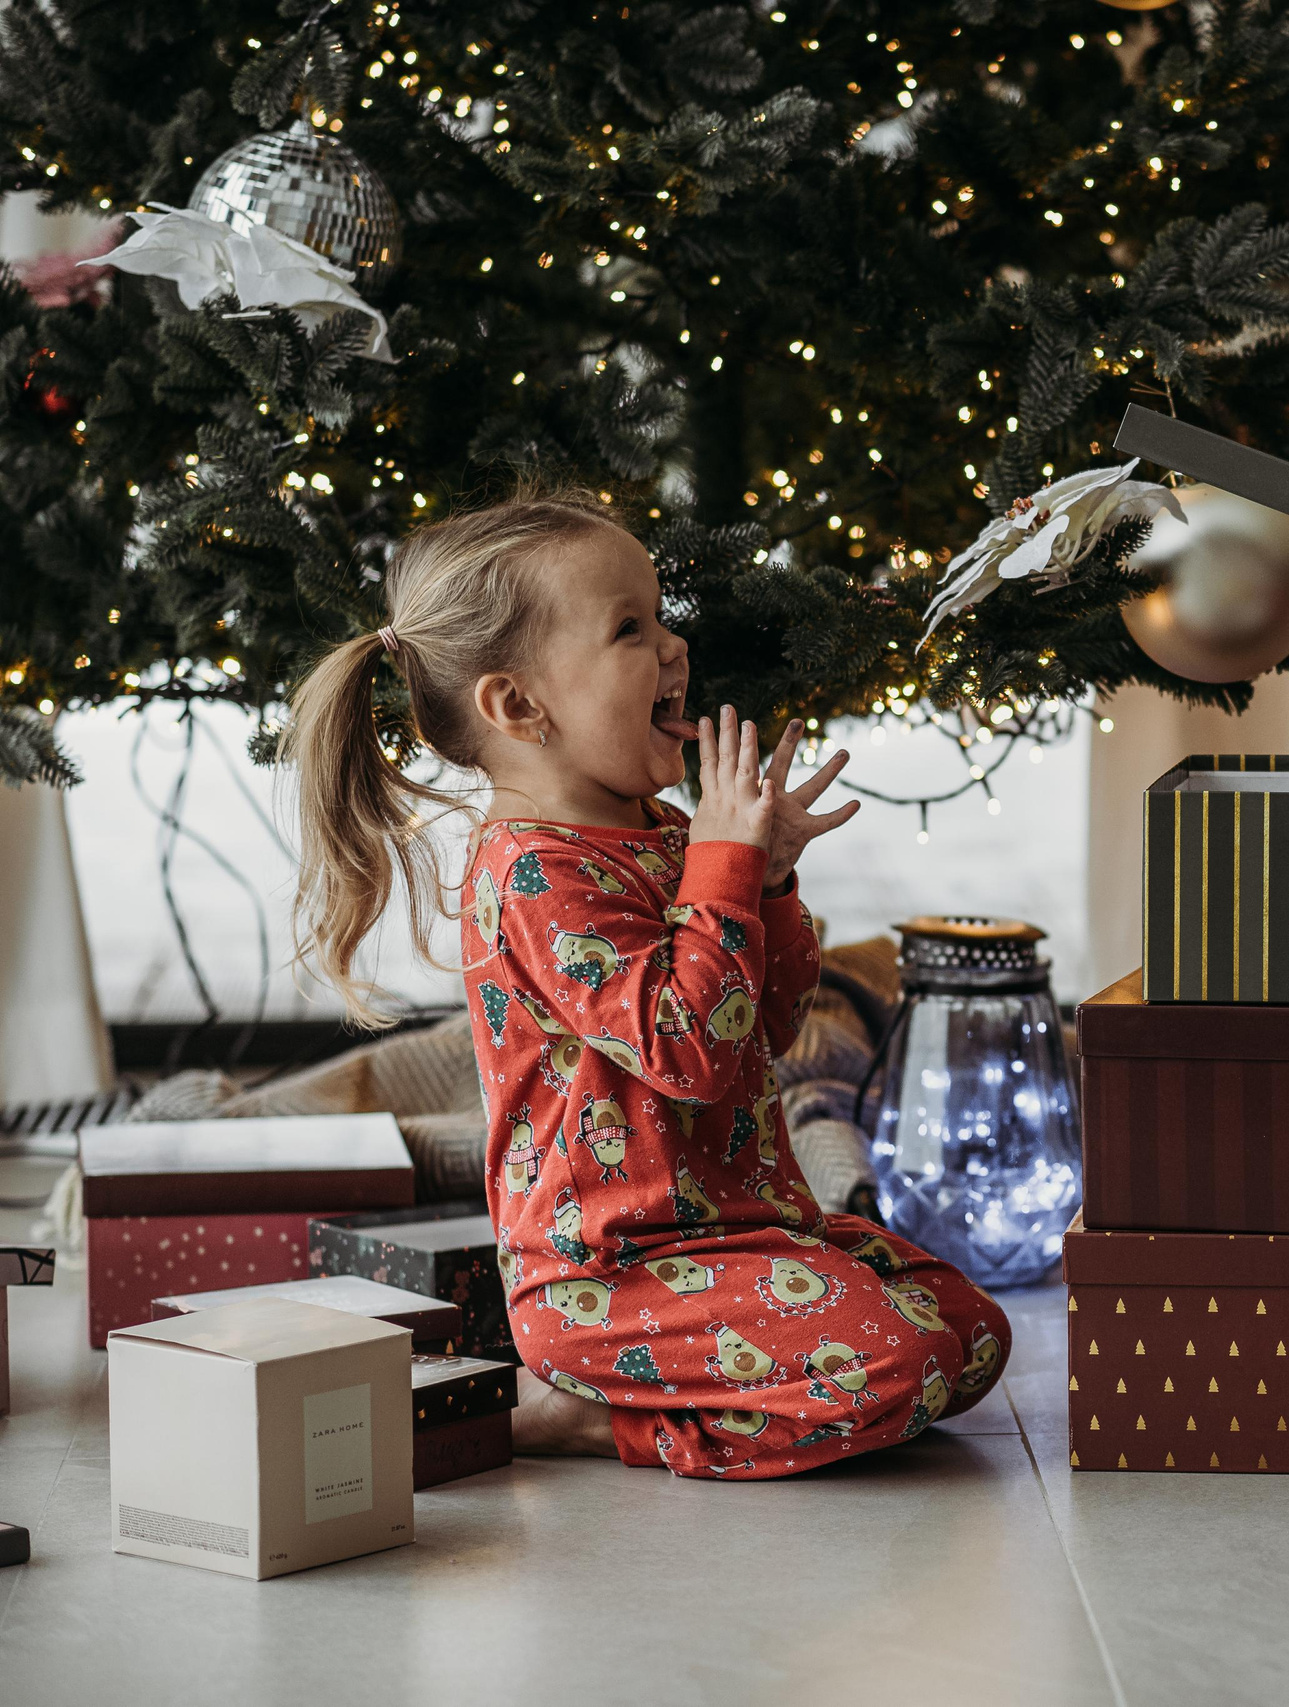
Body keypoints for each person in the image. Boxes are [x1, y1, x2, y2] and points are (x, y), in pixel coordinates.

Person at [283, 490, 1009, 1477]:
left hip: (748, 1235)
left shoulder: (670, 834)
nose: (675, 647)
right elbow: (688, 1052)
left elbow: (770, 1025)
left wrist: (768, 879)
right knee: (898, 1365)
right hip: (612, 1276)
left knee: (972, 1333)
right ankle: (594, 1420)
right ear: (518, 706)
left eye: (661, 616)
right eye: (630, 629)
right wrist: (723, 867)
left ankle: (731, 1375)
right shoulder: (533, 871)